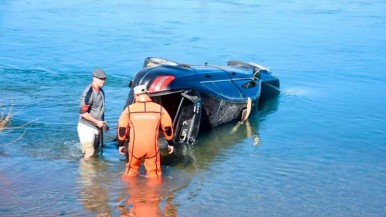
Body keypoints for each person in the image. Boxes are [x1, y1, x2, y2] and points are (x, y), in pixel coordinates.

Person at [117, 85, 174, 178]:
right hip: (152, 147)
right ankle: (155, 192)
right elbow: (168, 128)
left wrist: (121, 144)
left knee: (130, 172)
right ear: (147, 94)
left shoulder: (129, 110)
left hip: (135, 146)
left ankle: (128, 191)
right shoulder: (159, 109)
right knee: (154, 174)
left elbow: (122, 129)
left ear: (135, 96)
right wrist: (170, 143)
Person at [77, 68, 109, 159]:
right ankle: (84, 172)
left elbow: (98, 110)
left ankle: (93, 173)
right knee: (89, 152)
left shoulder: (101, 91)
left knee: (95, 152)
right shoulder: (89, 93)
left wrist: (103, 123)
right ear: (94, 79)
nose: (104, 81)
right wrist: (97, 122)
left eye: (105, 79)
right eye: (101, 79)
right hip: (86, 126)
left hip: (96, 126)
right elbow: (83, 113)